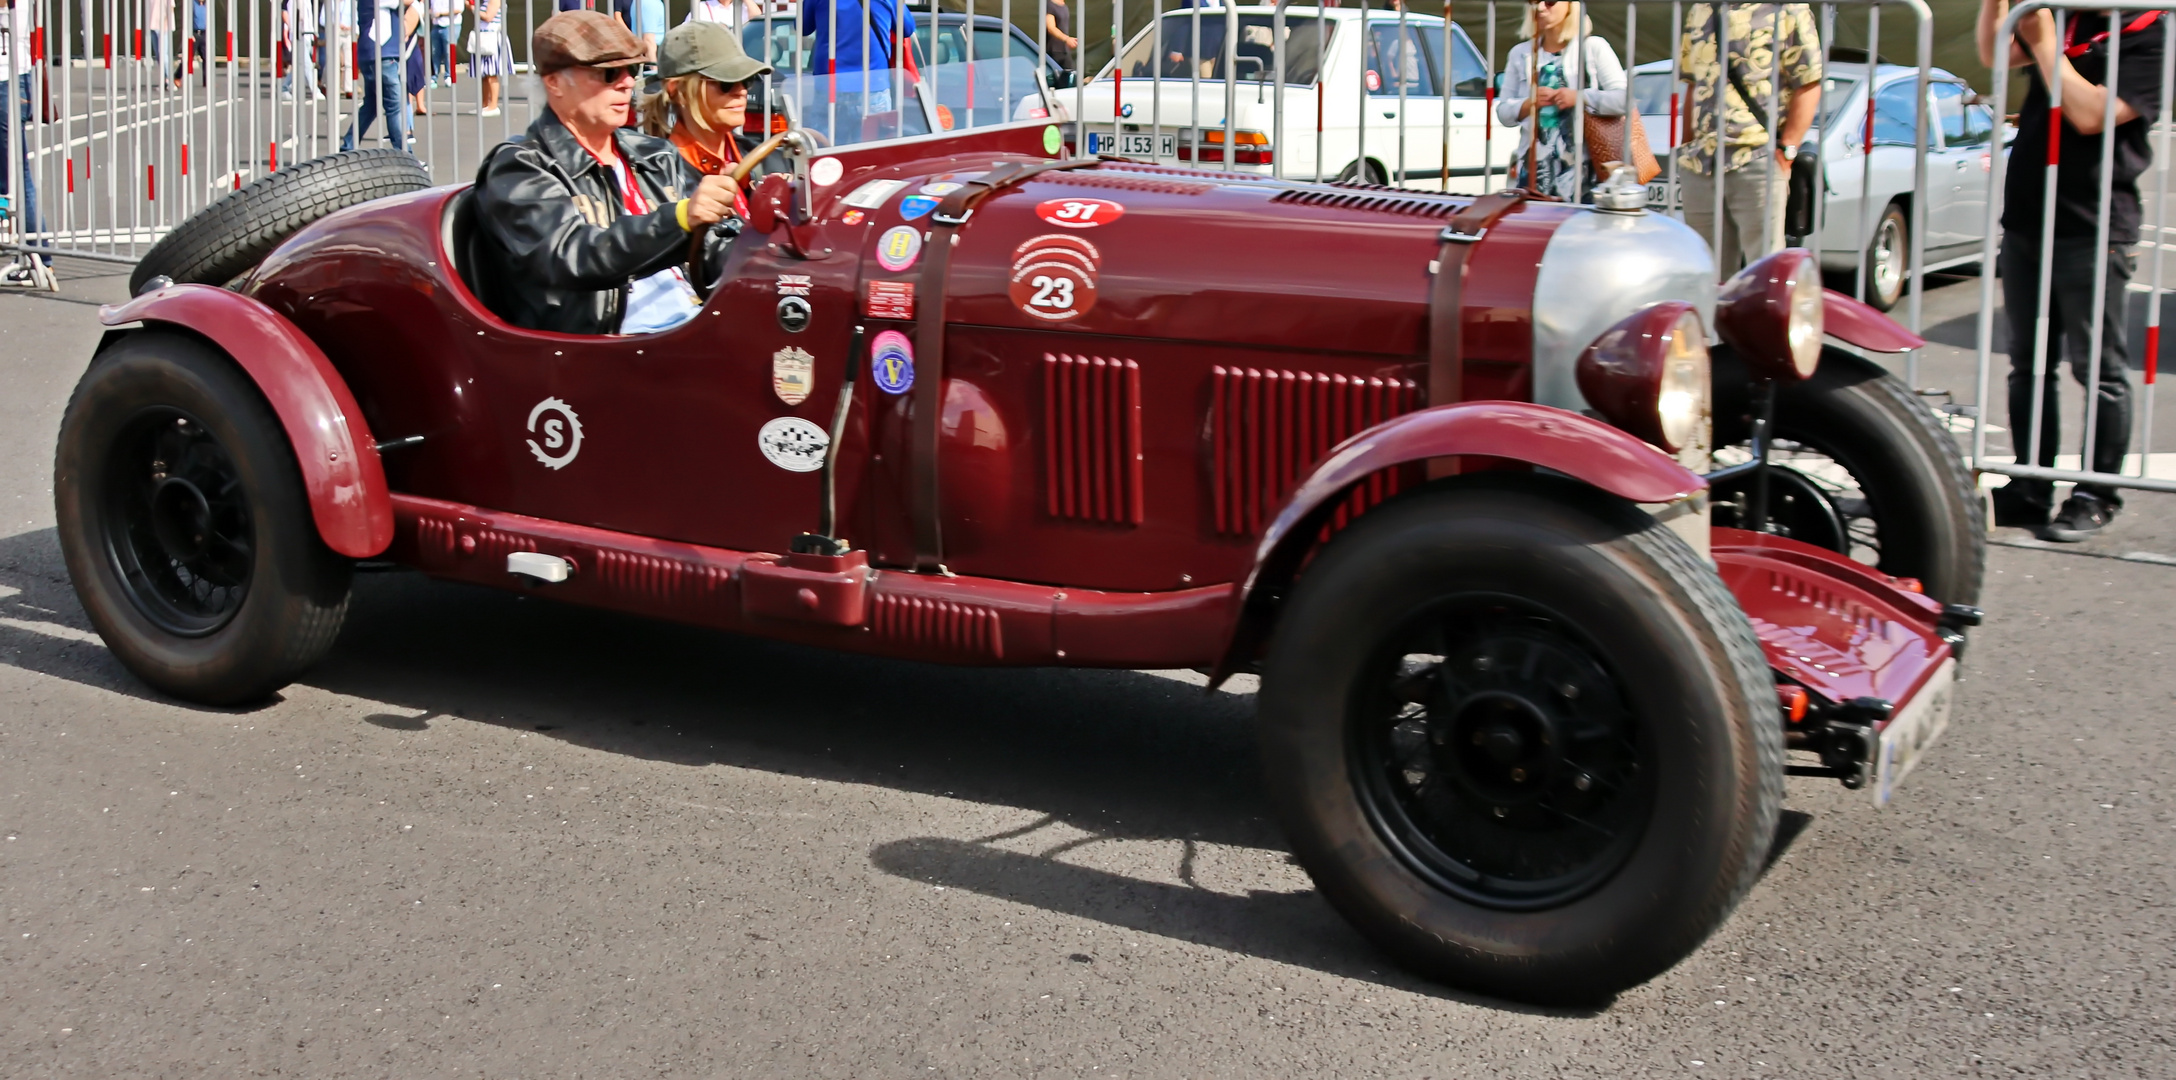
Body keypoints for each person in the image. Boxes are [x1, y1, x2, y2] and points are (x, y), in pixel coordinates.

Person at [1977, 2, 2165, 540]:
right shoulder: (2061, 15)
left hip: (2096, 223)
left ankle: (2094, 494)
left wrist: (2045, 44)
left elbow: (2092, 113)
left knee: (2099, 370)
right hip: (2029, 217)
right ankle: (2030, 487)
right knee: (2027, 366)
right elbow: (1994, 56)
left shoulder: (2151, 31)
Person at [470, 10, 740, 335]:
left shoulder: (653, 154)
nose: (627, 82)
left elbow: (713, 246)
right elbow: (573, 255)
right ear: (554, 82)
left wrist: (767, 247)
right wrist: (679, 219)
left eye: (633, 69)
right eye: (609, 73)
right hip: (603, 350)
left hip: (693, 327)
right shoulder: (521, 166)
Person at [1673, 3, 1821, 275]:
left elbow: (1809, 83)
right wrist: (1687, 145)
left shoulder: (1788, 9)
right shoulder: (1700, 9)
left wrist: (1787, 151)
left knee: (1763, 272)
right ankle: (1713, 319)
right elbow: (1693, 84)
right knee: (1706, 271)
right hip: (1701, 163)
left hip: (1756, 157)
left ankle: (1760, 320)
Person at [1497, 1, 1625, 202]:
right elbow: (1503, 112)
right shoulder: (1520, 54)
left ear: (1570, 6)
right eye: (1533, 2)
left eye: (1549, 2)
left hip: (1587, 171)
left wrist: (1580, 97)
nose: (1539, 8)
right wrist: (1528, 104)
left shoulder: (1593, 48)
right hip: (1534, 172)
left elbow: (1623, 99)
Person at [639, 19, 781, 196]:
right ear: (678, 91)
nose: (742, 91)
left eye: (746, 80)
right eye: (726, 83)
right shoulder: (657, 176)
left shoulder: (770, 161)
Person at [800, 0, 914, 138]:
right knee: (871, 153)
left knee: (828, 153)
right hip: (873, 86)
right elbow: (907, 29)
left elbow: (803, 27)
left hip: (830, 84)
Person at [1, 0, 48, 280]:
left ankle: (39, 255)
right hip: (11, 76)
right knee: (13, 176)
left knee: (17, 175)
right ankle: (38, 254)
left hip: (8, 76)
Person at [343, 0, 422, 149]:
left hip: (376, 54)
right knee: (395, 106)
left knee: (371, 105)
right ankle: (405, 154)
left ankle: (348, 145)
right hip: (381, 54)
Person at [469, 0, 513, 115]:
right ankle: (485, 105)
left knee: (491, 74)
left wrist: (473, 8)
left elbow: (488, 17)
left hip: (491, 38)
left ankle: (493, 106)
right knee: (484, 75)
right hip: (483, 38)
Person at [428, 0, 463, 85]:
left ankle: (449, 76)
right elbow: (431, 8)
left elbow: (458, 9)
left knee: (449, 52)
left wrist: (441, 14)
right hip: (436, 25)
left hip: (451, 25)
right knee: (434, 52)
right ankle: (433, 77)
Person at [1043, 0, 1076, 73]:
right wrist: (1066, 39)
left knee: (1071, 76)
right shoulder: (1049, 5)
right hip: (1054, 51)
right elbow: (1051, 28)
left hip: (1064, 50)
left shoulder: (1064, 5)